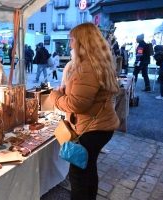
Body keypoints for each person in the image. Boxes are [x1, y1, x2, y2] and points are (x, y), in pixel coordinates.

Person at [49, 22, 119, 200]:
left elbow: (78, 104)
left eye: (72, 40)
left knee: (78, 175)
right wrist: (67, 90)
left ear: (82, 41)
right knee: (88, 168)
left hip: (92, 129)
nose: (70, 44)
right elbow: (89, 94)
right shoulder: (98, 62)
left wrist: (55, 96)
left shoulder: (87, 66)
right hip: (101, 126)